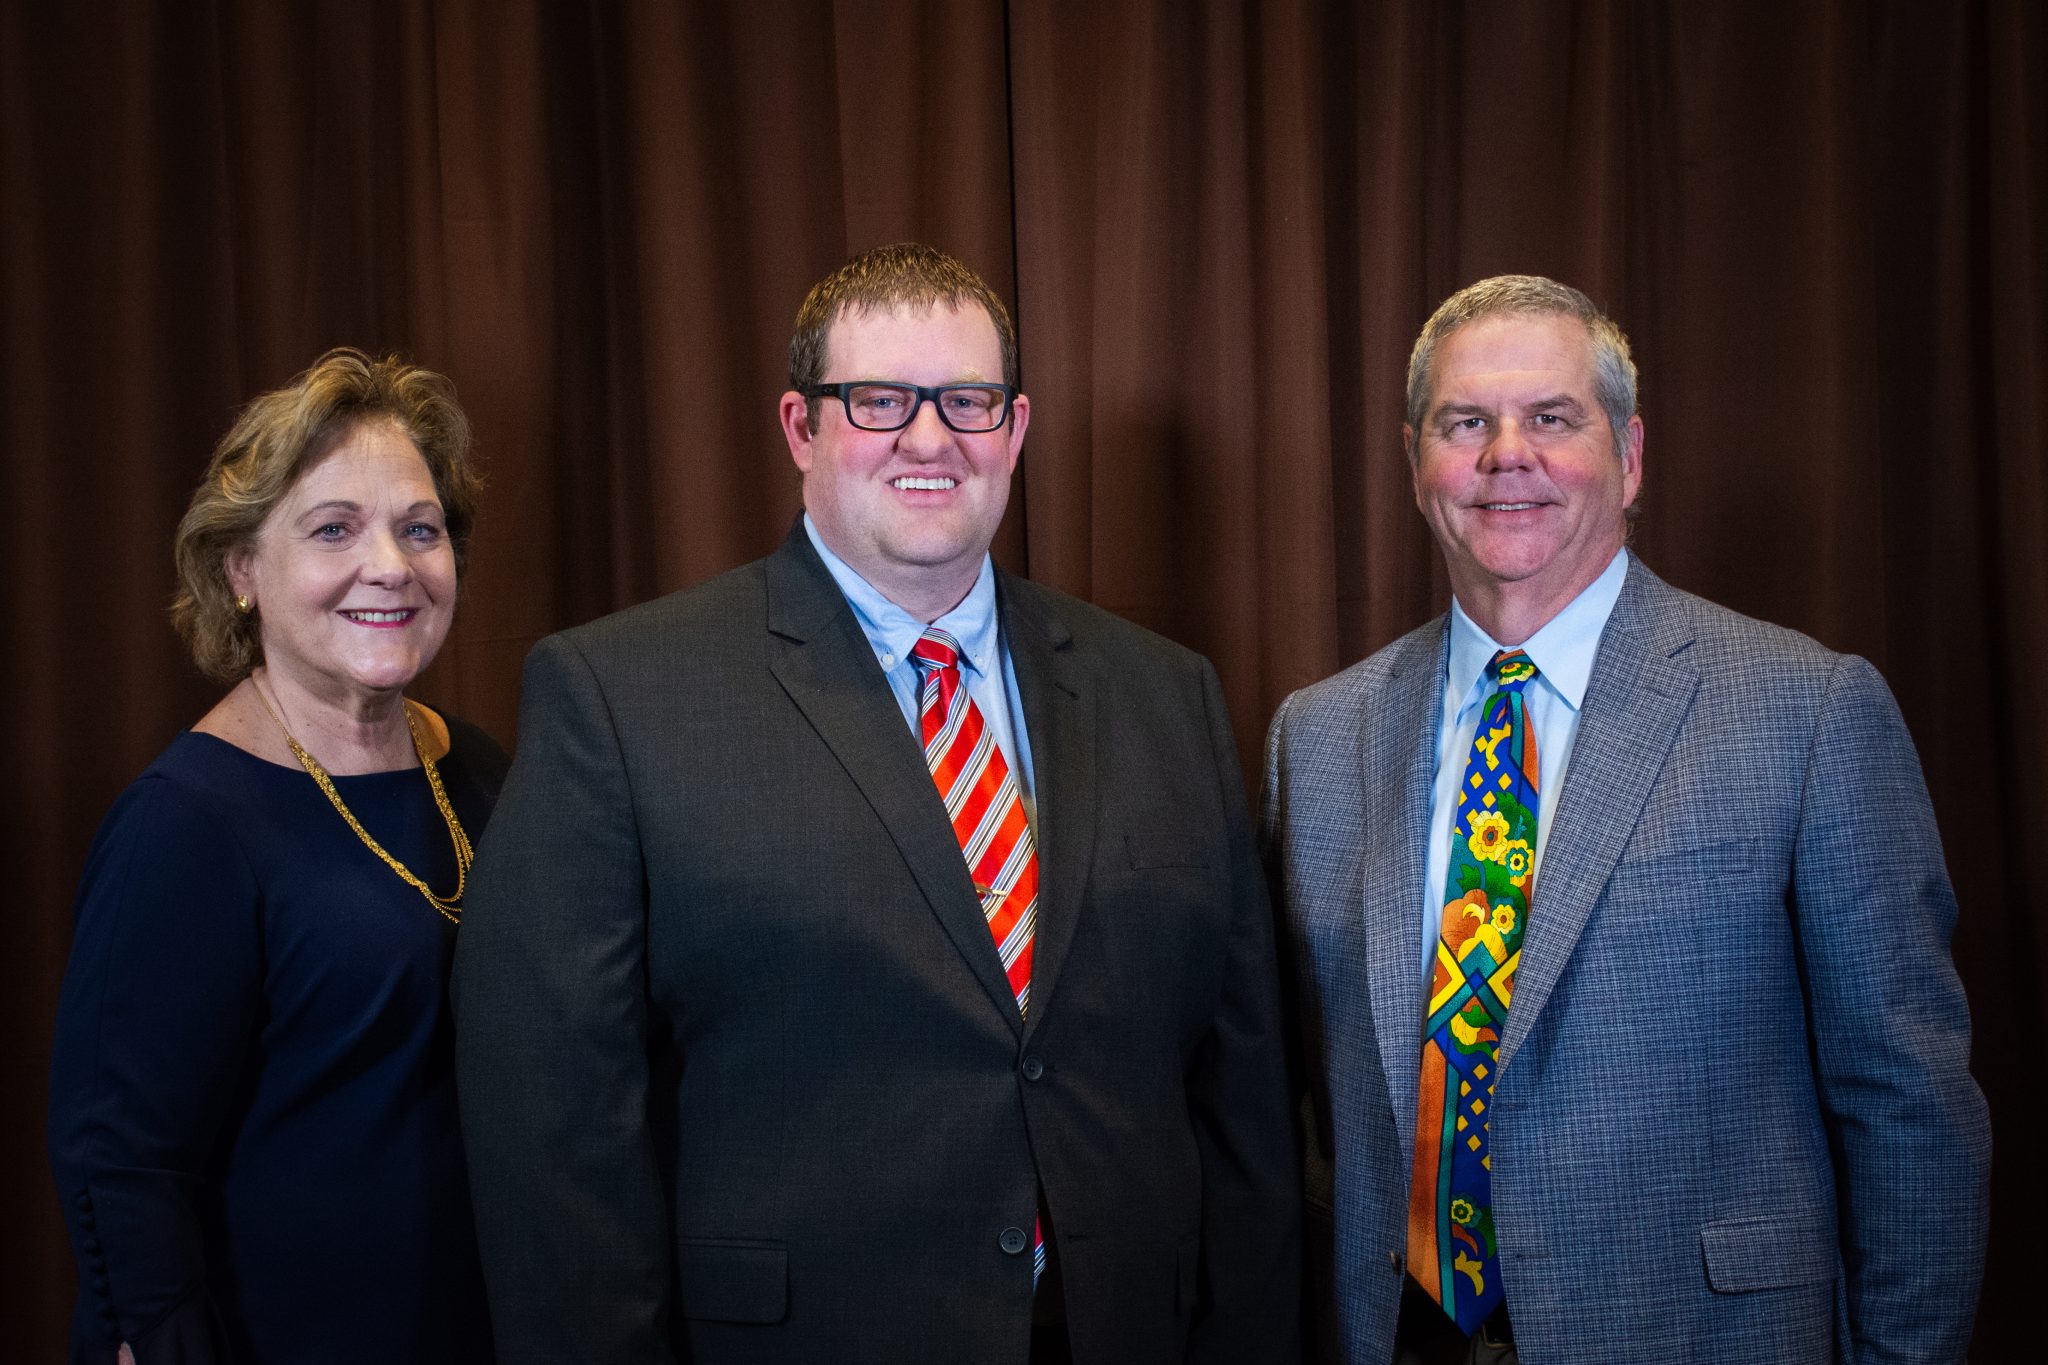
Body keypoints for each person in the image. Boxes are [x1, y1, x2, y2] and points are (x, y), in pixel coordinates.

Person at [453, 242, 1300, 1365]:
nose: (929, 437)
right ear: (801, 428)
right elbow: (552, 1129)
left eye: (966, 400)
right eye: (879, 401)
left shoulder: (1163, 692)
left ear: (1016, 427)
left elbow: (1237, 1087)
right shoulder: (621, 695)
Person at [1263, 276, 1988, 1364]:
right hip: (1396, 1337)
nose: (1508, 453)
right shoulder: (1316, 737)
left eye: (1552, 418)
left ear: (1630, 456)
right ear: (1417, 464)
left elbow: (1908, 1111)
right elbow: (1301, 1098)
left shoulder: (1803, 709)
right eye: (1467, 423)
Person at [47, 349, 503, 1364]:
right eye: (333, 528)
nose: (389, 564)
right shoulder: (184, 823)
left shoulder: (471, 767)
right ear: (241, 571)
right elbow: (120, 1169)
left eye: (419, 529)